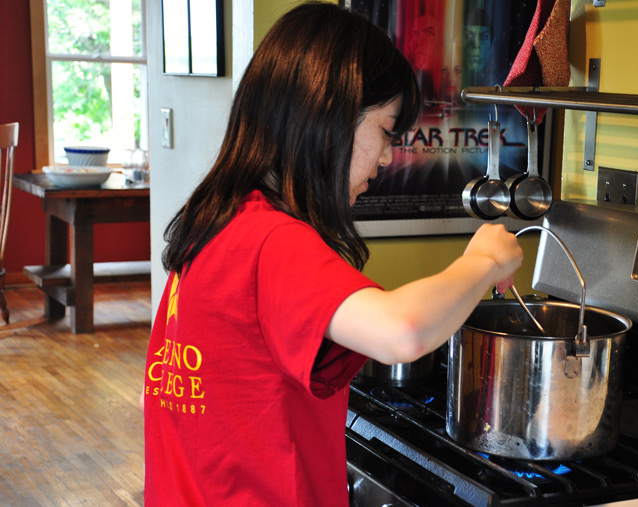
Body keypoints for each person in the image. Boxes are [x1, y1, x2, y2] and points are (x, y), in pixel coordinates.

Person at [141, 2, 523, 506]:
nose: (388, 157)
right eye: (385, 131)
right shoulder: (271, 242)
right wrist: (486, 260)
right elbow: (402, 331)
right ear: (331, 116)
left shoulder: (217, 223)